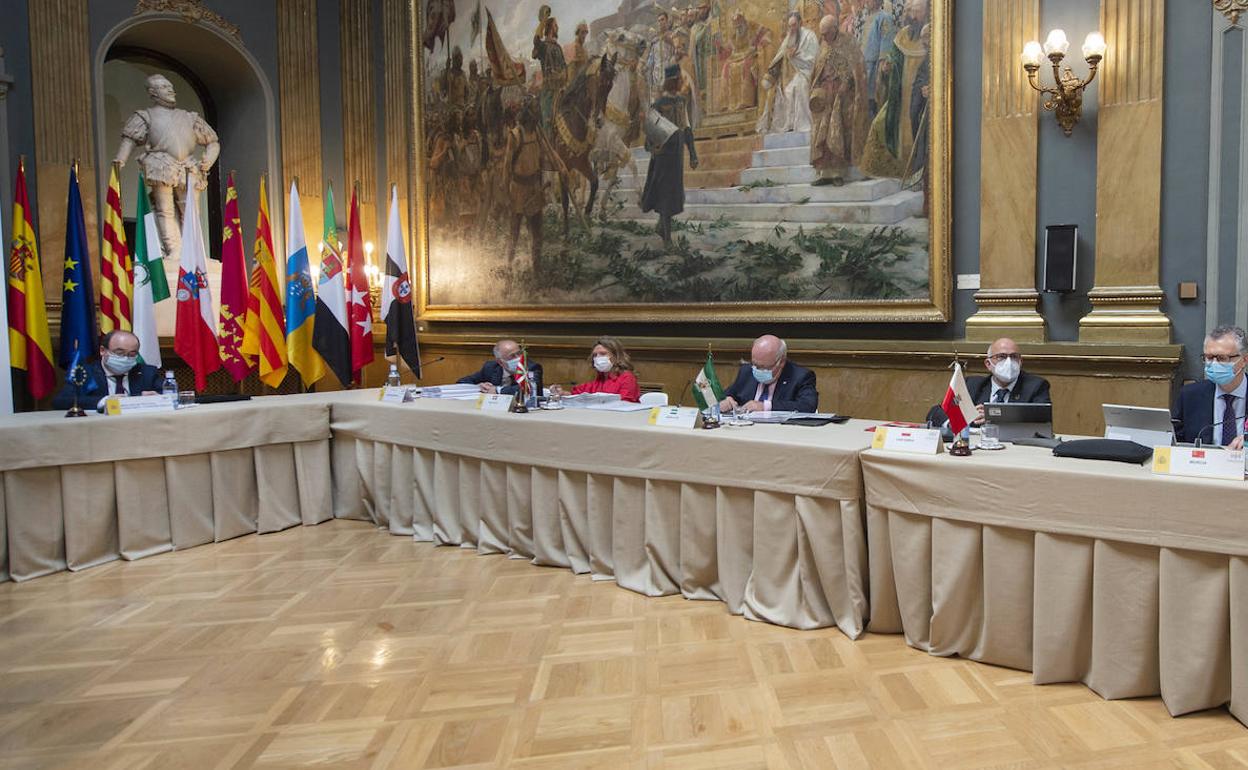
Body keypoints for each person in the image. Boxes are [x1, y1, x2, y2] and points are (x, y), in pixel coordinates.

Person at [923, 337, 1052, 427]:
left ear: (1020, 362)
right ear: (988, 364)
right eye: (1001, 357)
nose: (1008, 362)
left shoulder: (1036, 386)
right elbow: (935, 413)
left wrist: (995, 417)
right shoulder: (971, 385)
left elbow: (1042, 421)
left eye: (1014, 357)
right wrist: (959, 419)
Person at [641, 64, 699, 247]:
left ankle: (661, 226)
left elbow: (687, 128)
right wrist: (653, 147)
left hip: (677, 157)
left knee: (673, 195)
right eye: (680, 78)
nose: (683, 81)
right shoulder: (658, 105)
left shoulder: (681, 102)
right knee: (665, 194)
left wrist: (693, 153)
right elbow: (649, 136)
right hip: (664, 158)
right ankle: (667, 239)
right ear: (673, 81)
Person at [809, 11, 869, 187]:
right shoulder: (824, 44)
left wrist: (847, 83)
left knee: (838, 132)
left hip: (843, 95)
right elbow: (817, 70)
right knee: (823, 133)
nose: (824, 37)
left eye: (826, 33)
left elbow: (858, 68)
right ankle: (824, 172)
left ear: (835, 29)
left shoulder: (848, 42)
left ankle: (837, 173)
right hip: (825, 94)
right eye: (822, 34)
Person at [51, 330, 162, 412]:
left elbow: (171, 396)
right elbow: (61, 401)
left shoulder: (147, 372)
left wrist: (158, 398)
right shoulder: (86, 372)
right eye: (119, 353)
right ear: (103, 351)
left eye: (132, 354)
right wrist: (104, 401)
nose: (125, 358)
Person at [1174, 325, 1248, 446]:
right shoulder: (1189, 395)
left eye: (1221, 358)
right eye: (1208, 357)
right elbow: (1175, 442)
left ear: (1244, 360)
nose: (1213, 364)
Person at [718, 335, 818, 413]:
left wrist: (765, 406)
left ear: (781, 362)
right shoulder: (746, 371)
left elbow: (808, 406)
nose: (758, 370)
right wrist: (727, 400)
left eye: (764, 367)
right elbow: (727, 395)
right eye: (755, 364)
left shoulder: (800, 376)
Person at [764, 12, 820, 133]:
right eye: (790, 26)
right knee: (781, 90)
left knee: (799, 87)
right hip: (787, 75)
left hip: (805, 73)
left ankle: (803, 126)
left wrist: (796, 56)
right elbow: (778, 58)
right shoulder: (788, 39)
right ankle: (789, 125)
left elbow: (813, 59)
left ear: (800, 23)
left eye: (794, 25)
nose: (792, 28)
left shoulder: (809, 36)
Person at [550, 336, 641, 402]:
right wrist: (562, 393)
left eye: (603, 354)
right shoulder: (598, 379)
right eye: (595, 355)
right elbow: (577, 395)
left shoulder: (627, 377)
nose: (598, 358)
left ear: (616, 356)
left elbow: (625, 403)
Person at [457, 338, 544, 396]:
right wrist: (479, 386)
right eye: (512, 356)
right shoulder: (491, 367)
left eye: (519, 353)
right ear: (500, 362)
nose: (518, 358)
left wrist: (497, 390)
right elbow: (462, 381)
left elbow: (528, 388)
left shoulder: (532, 367)